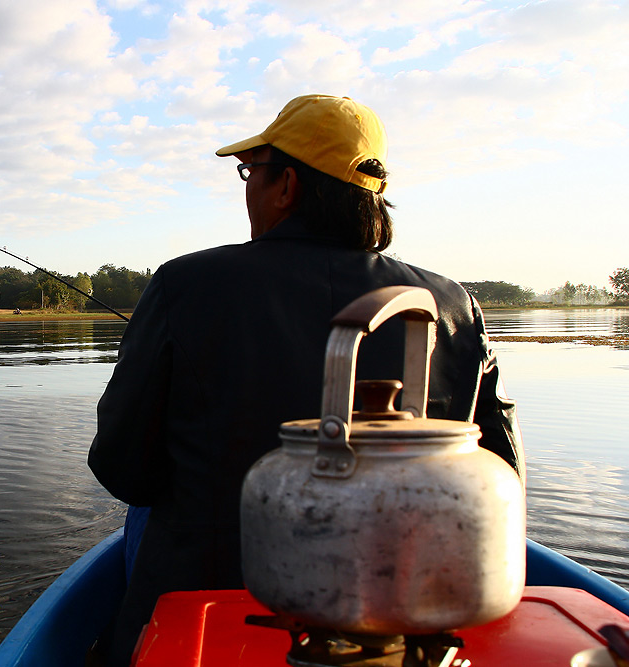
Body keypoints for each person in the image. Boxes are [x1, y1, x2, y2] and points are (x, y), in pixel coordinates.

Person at [87, 94, 525, 666]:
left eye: (251, 172)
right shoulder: (450, 304)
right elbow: (501, 468)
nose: (247, 187)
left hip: (209, 605)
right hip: (407, 614)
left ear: (287, 186)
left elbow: (122, 467)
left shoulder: (184, 284)